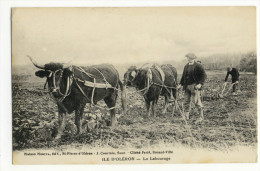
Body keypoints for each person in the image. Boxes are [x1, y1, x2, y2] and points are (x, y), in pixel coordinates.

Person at [177, 53, 207, 122]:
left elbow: (204, 76)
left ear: (193, 58)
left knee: (196, 102)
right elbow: (183, 77)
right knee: (186, 102)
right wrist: (180, 84)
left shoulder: (198, 66)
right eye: (187, 58)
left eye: (190, 58)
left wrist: (200, 84)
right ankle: (186, 117)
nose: (188, 59)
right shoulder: (186, 66)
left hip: (194, 86)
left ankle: (201, 117)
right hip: (186, 86)